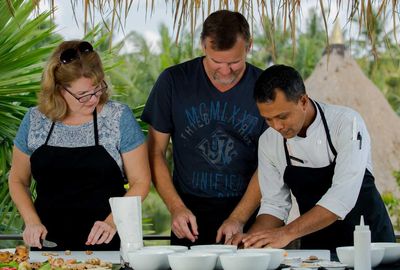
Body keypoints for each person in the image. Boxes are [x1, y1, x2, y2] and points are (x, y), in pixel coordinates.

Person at [230, 64, 395, 251]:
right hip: (317, 249)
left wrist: (286, 233)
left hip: (370, 244)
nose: (277, 126)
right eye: (268, 119)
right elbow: (274, 206)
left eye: (282, 116)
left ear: (303, 101)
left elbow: (341, 199)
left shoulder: (346, 123)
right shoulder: (269, 141)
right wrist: (249, 244)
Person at [8, 40, 151, 251]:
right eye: (83, 94)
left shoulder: (118, 116)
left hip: (107, 242)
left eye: (98, 88)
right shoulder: (34, 120)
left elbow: (141, 181)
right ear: (58, 89)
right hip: (47, 244)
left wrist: (112, 221)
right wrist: (31, 221)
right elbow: (18, 180)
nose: (94, 99)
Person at [141, 10, 267, 245]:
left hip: (248, 213)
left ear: (249, 46)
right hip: (188, 216)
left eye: (234, 62)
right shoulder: (173, 81)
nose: (225, 70)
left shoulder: (264, 87)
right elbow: (155, 151)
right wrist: (176, 208)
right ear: (202, 46)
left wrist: (238, 218)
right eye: (216, 61)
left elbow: (271, 162)